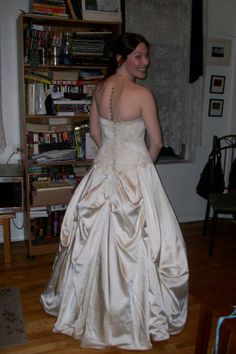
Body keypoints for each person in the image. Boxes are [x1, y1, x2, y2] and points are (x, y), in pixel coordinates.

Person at [40, 32, 189, 351]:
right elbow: (158, 142)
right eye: (138, 56)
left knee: (91, 245)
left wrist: (110, 158)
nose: (145, 62)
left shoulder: (98, 90)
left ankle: (87, 310)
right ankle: (127, 317)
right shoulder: (141, 94)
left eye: (146, 55)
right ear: (121, 59)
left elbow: (95, 134)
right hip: (133, 172)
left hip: (103, 172)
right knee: (140, 246)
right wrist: (142, 169)